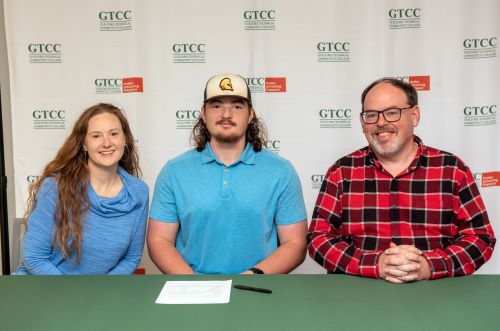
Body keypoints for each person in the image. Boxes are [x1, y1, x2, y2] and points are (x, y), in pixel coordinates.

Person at [307, 78, 496, 283]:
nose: (380, 122)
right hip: (359, 294)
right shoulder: (341, 172)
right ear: (362, 123)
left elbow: (480, 238)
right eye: (371, 115)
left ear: (414, 116)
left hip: (437, 293)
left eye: (391, 113)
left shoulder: (452, 169)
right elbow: (319, 239)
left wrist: (428, 266)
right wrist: (375, 264)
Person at [147, 73, 307, 274]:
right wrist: (194, 284)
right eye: (216, 105)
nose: (226, 114)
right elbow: (159, 239)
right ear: (203, 114)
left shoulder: (281, 171)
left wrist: (252, 276)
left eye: (237, 106)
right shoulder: (174, 171)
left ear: (250, 115)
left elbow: (295, 243)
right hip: (192, 290)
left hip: (257, 288)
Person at [15, 103, 149, 275]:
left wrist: (99, 292)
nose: (106, 143)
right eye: (96, 136)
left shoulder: (139, 192)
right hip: (45, 288)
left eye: (114, 134)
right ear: (84, 144)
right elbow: (34, 257)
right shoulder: (55, 188)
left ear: (125, 140)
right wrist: (76, 296)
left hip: (98, 294)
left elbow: (131, 258)